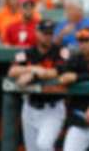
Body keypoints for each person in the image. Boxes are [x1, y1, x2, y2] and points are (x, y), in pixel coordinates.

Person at [7, 19, 67, 151]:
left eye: (50, 33)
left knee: (44, 145)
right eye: (45, 33)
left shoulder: (60, 52)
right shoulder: (27, 53)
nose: (48, 36)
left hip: (53, 108)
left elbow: (58, 71)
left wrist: (34, 75)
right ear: (37, 33)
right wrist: (32, 69)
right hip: (30, 108)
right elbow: (12, 71)